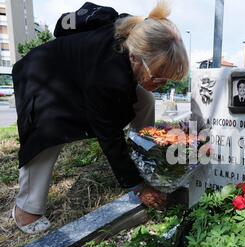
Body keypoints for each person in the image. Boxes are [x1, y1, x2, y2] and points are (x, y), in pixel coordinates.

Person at [11, 1, 189, 234]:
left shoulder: (139, 33)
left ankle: (142, 151)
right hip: (42, 75)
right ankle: (27, 207)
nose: (162, 85)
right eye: (158, 77)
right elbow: (109, 136)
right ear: (136, 58)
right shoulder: (107, 76)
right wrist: (137, 186)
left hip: (79, 71)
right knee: (48, 132)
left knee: (145, 99)